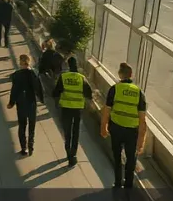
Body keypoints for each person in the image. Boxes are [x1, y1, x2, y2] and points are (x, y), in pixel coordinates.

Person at [100, 62, 146, 191]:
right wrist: (141, 141)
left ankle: (117, 182)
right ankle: (128, 184)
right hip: (132, 130)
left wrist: (103, 127)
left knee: (117, 156)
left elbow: (106, 111)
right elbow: (142, 119)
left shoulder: (115, 89)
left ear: (120, 74)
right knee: (131, 158)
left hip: (116, 128)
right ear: (131, 75)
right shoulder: (139, 92)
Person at [52, 56, 92, 167]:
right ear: (77, 65)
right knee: (76, 131)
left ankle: (68, 151)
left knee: (67, 132)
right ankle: (73, 154)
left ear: (68, 65)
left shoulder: (63, 77)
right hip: (78, 109)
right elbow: (89, 94)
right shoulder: (81, 78)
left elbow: (55, 92)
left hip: (65, 108)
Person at [6, 54, 44, 156]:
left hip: (21, 103)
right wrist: (41, 98)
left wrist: (11, 103)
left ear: (21, 62)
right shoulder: (33, 73)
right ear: (29, 62)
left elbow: (14, 90)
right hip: (31, 102)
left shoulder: (17, 75)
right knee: (32, 126)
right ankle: (31, 146)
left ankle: (24, 148)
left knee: (22, 125)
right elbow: (38, 87)